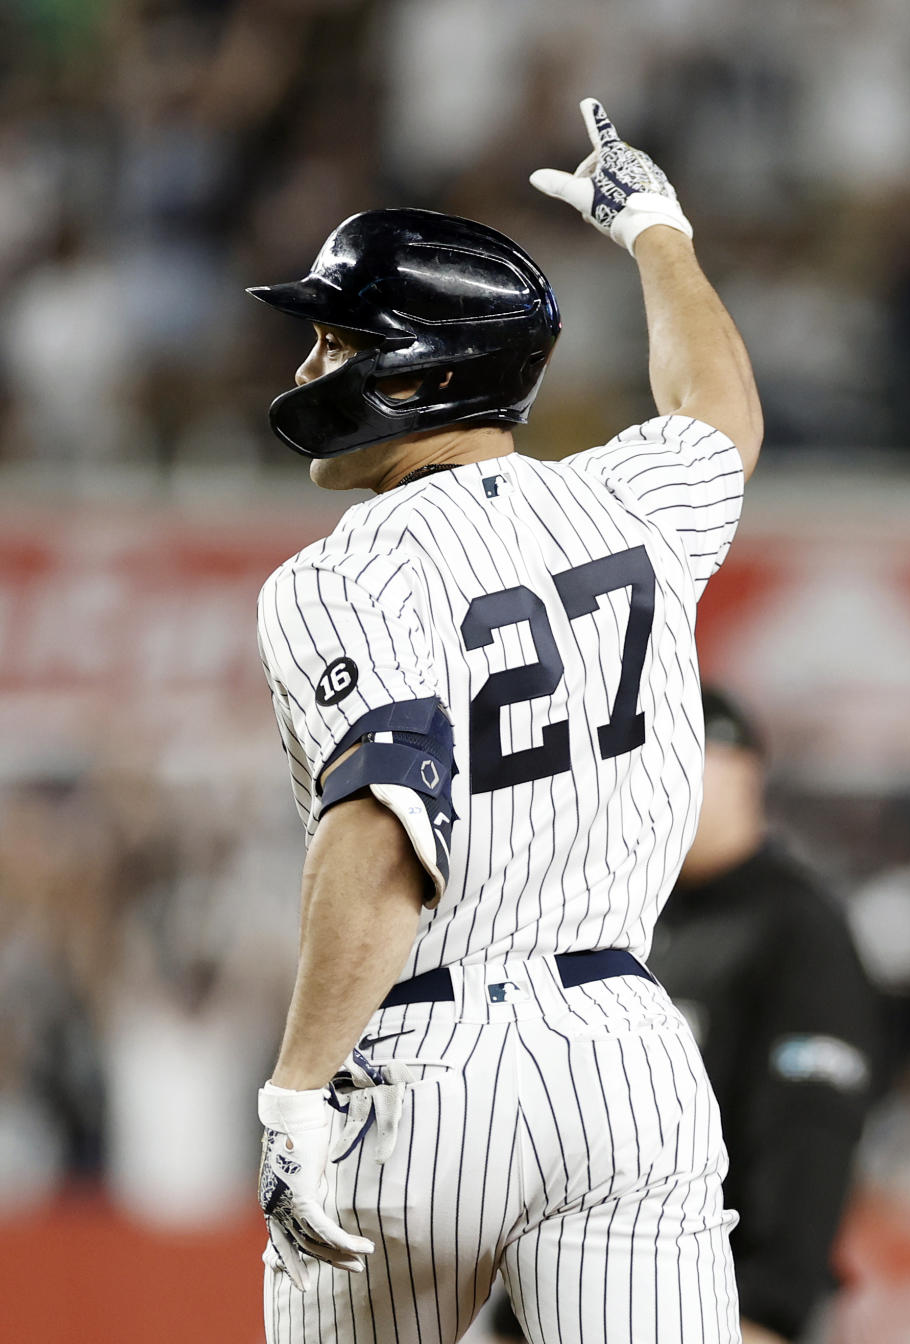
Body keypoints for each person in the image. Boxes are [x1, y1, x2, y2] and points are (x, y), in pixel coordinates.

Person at [249, 97, 763, 1344]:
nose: (310, 370)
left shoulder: (340, 575)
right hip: (629, 1053)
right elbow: (722, 419)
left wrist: (297, 1090)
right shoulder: (629, 500)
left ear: (417, 372)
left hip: (427, 1064)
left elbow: (380, 829)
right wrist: (658, 231)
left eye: (335, 342)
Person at [490, 688, 882, 1343]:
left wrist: (768, 1311)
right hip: (585, 1293)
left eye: (690, 757)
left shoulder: (797, 927)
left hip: (721, 1304)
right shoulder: (625, 920)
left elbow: (811, 1137)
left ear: (746, 774)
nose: (664, 779)